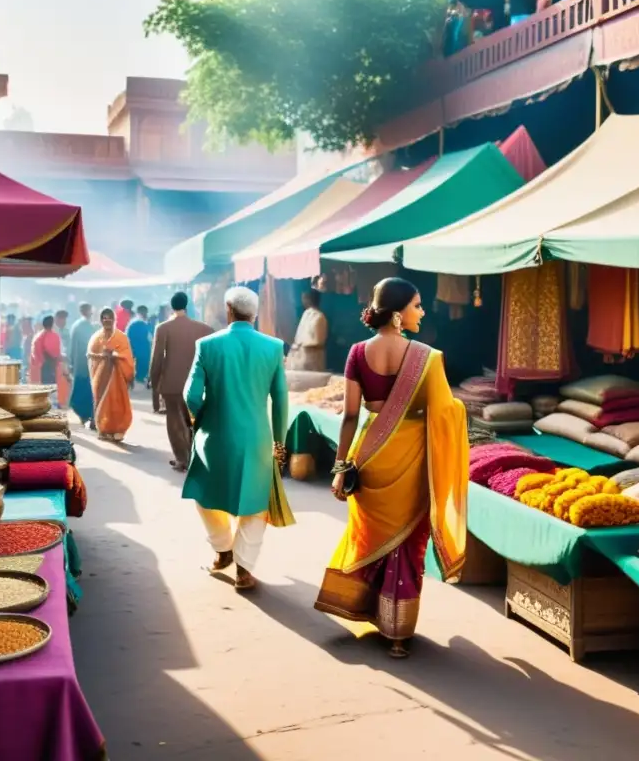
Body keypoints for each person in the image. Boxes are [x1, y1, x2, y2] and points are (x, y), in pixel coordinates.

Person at [315, 278, 468, 658]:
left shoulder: (356, 352)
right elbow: (446, 412)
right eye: (417, 305)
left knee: (373, 536)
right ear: (399, 314)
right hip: (412, 456)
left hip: (370, 453)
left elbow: (350, 415)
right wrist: (459, 410)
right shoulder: (428, 358)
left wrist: (340, 466)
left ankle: (362, 605)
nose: (422, 311)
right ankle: (398, 632)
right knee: (406, 545)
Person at [183, 287, 288, 592]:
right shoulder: (273, 347)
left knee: (205, 495)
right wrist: (279, 443)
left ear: (228, 310)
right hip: (257, 439)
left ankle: (222, 547)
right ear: (254, 313)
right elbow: (281, 399)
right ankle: (243, 569)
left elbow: (191, 395)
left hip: (214, 437)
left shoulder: (207, 345)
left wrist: (201, 420)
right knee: (255, 505)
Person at [149, 292, 212, 473]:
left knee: (175, 422)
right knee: (195, 421)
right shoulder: (205, 329)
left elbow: (157, 359)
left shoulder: (163, 328)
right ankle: (197, 456)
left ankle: (182, 459)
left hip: (172, 383)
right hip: (197, 384)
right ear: (187, 305)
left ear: (171, 306)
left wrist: (155, 383)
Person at [88, 308, 134, 442]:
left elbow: (127, 356)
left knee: (117, 403)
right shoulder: (96, 337)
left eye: (109, 317)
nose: (107, 320)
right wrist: (102, 356)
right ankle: (103, 429)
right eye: (104, 317)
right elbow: (90, 355)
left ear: (114, 319)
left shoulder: (121, 337)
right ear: (101, 320)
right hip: (100, 377)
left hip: (117, 376)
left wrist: (115, 356)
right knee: (101, 403)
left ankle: (118, 429)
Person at [69, 303, 97, 429]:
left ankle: (85, 415)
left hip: (78, 363)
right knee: (85, 391)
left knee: (81, 389)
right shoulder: (85, 325)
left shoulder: (76, 325)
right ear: (86, 311)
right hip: (85, 364)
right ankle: (87, 415)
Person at [285, 290, 329, 372]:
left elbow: (318, 341)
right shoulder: (306, 314)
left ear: (308, 299)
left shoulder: (319, 317)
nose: (303, 300)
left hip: (312, 359)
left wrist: (301, 345)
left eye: (304, 297)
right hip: (301, 358)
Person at [28, 315, 63, 395]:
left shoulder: (37, 336)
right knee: (50, 388)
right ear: (52, 324)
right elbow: (55, 353)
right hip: (49, 366)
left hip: (39, 368)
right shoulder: (53, 336)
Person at [126, 305, 152, 386]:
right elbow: (148, 337)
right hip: (140, 348)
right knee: (144, 361)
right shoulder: (141, 323)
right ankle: (139, 377)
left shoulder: (133, 321)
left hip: (132, 347)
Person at [54, 310, 71, 409]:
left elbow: (69, 347)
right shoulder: (52, 330)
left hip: (64, 363)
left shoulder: (67, 332)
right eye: (61, 318)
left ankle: (62, 404)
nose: (63, 321)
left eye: (64, 319)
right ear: (56, 319)